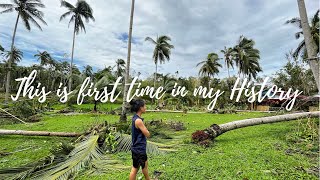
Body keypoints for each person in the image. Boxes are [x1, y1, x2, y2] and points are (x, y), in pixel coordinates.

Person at [129, 99, 151, 180]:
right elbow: (147, 134)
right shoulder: (138, 121)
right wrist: (147, 130)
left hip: (136, 148)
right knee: (137, 168)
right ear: (140, 108)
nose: (146, 107)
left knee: (138, 167)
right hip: (139, 149)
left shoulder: (135, 118)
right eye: (144, 106)